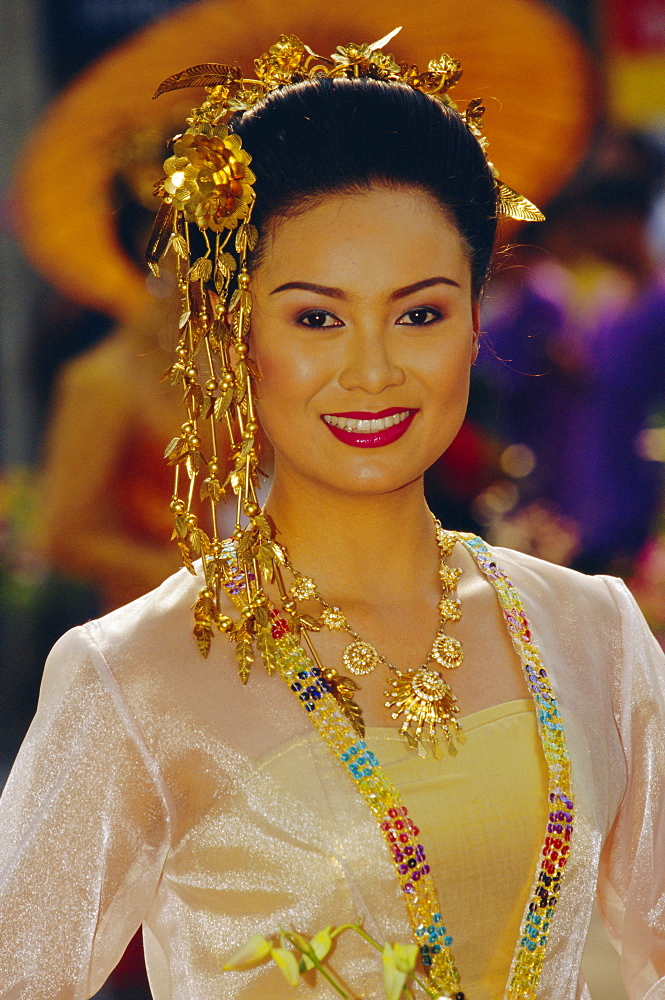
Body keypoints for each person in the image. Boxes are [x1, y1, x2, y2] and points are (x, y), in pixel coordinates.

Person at [0, 31, 663, 1000]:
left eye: (419, 313)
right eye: (315, 316)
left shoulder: (593, 632)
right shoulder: (135, 673)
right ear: (234, 333)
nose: (370, 369)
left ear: (476, 322)